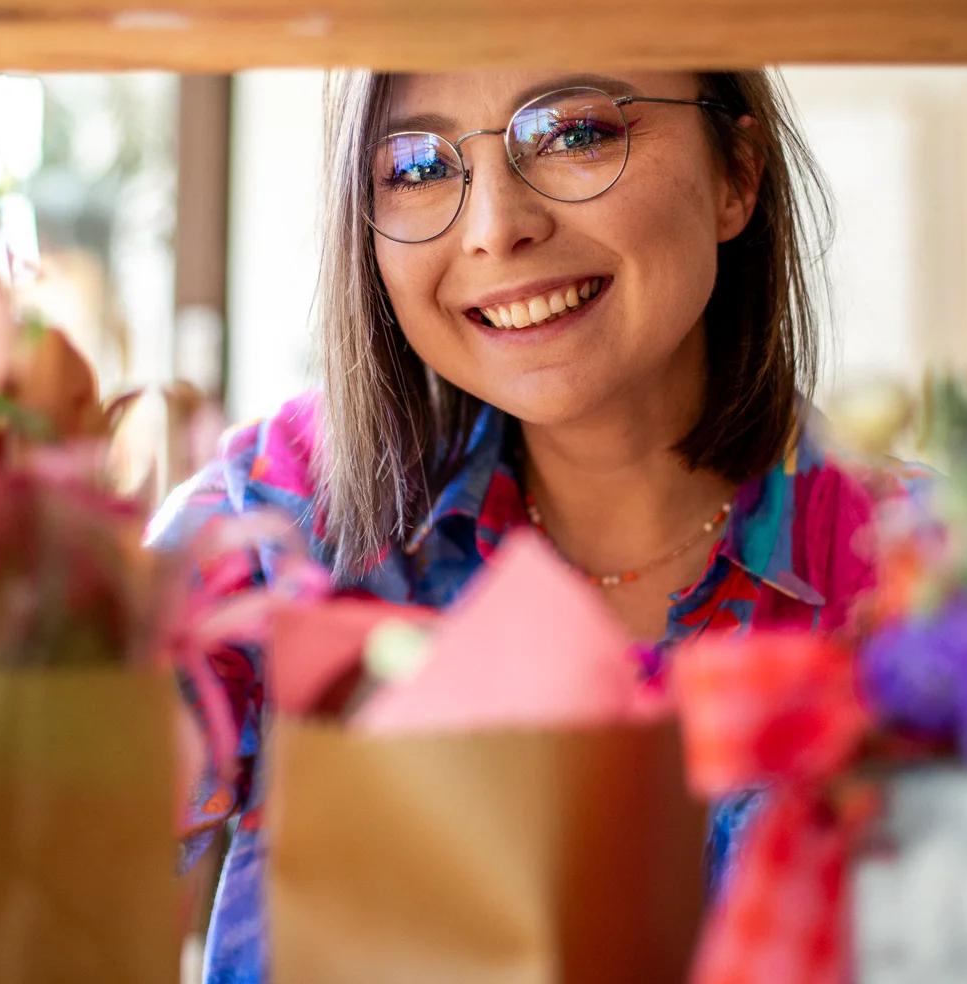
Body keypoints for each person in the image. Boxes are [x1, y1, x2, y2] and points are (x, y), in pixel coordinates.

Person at [149, 69, 881, 983]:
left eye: (576, 133)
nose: (495, 227)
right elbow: (48, 834)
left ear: (736, 173)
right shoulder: (280, 520)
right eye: (415, 165)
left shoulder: (926, 587)